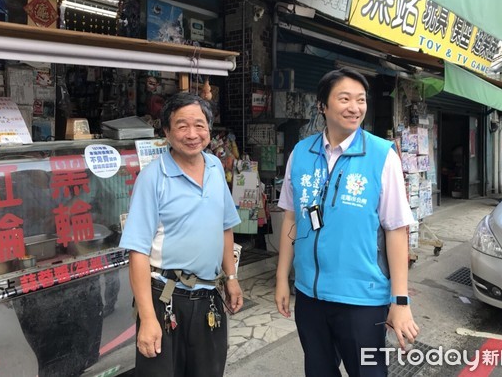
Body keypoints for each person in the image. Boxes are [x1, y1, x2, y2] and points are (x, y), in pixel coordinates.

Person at [274, 68, 420, 377]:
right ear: (322, 106)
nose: (355, 107)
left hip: (362, 301)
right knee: (318, 371)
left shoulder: (382, 155)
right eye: (344, 99)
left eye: (361, 100)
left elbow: (396, 230)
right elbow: (291, 217)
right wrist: (281, 279)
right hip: (310, 297)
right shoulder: (301, 153)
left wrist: (400, 301)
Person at [119, 92, 244, 377]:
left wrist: (232, 278)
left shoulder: (214, 167)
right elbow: (137, 252)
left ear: (209, 129)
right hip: (164, 299)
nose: (192, 134)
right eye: (182, 125)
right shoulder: (153, 177)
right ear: (166, 131)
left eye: (199, 125)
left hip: (210, 296)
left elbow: (225, 227)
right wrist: (148, 317)